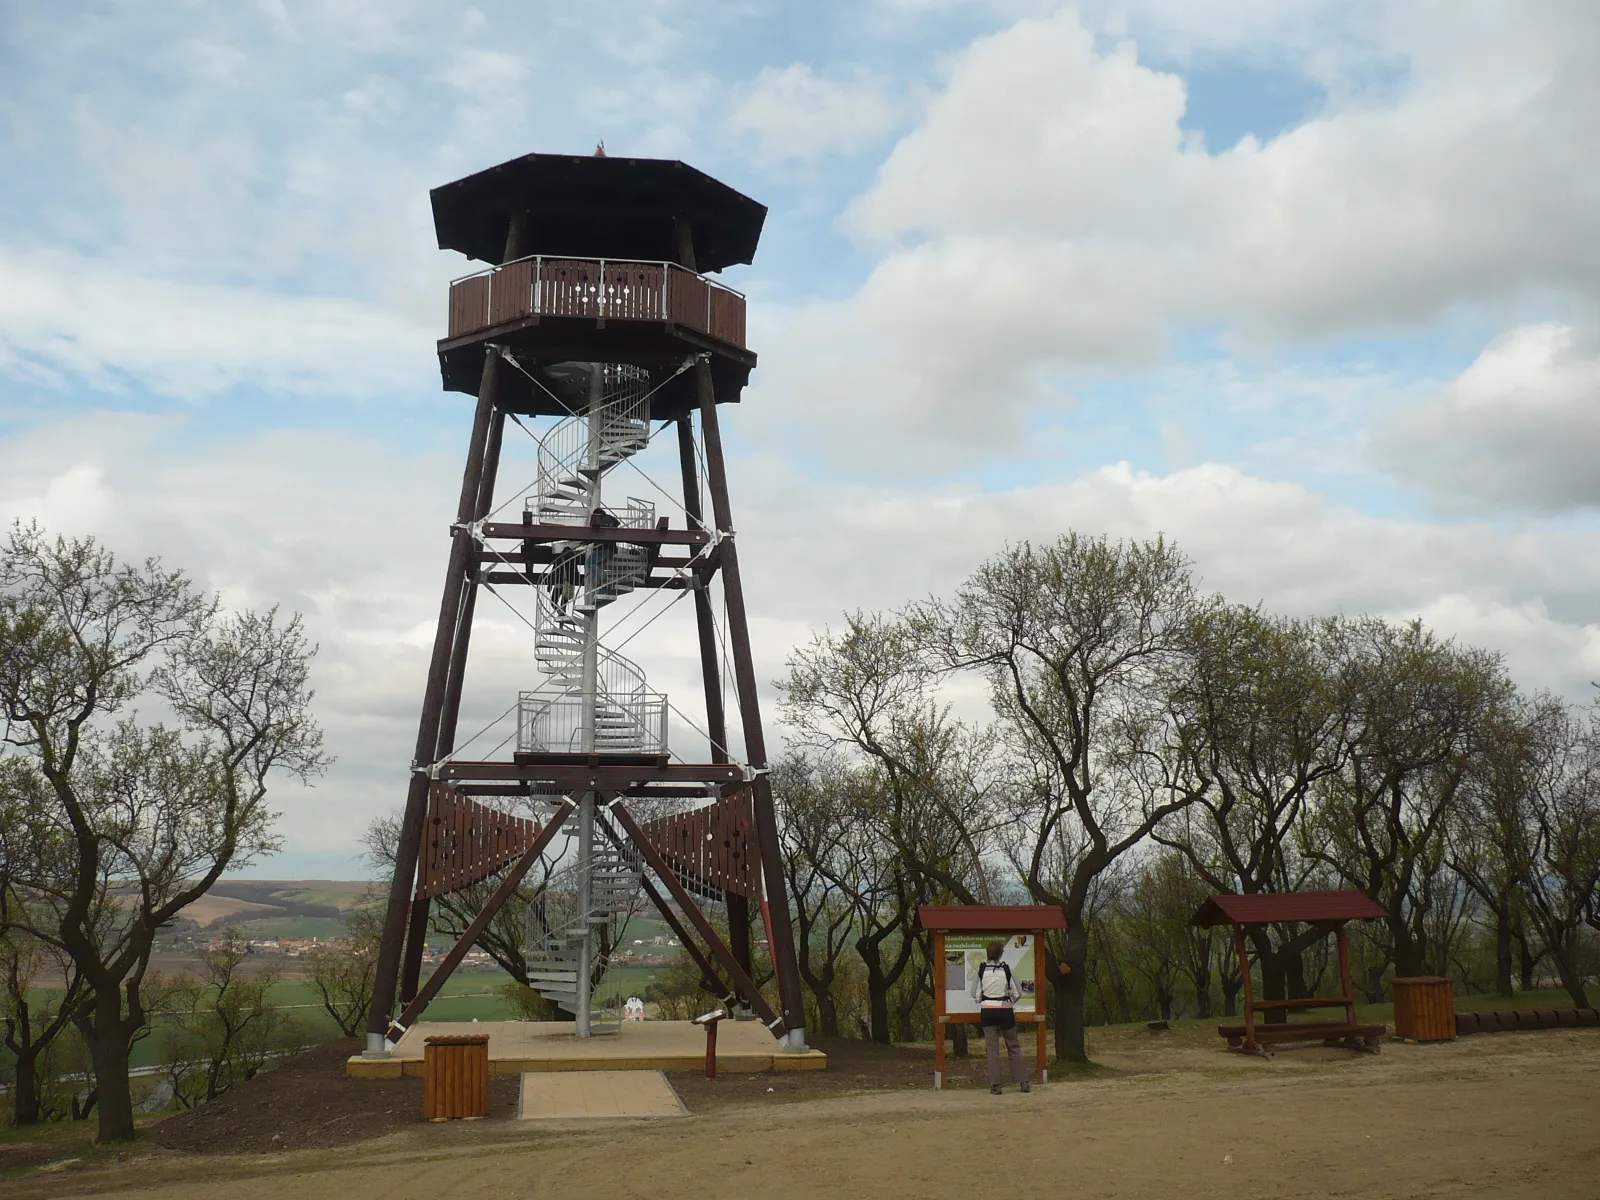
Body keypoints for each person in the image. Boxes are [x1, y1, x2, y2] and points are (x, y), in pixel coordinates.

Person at [969, 940, 1030, 1094]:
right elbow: (1018, 993)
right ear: (1001, 953)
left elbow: (974, 993)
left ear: (987, 953)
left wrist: (982, 1000)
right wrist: (1010, 1001)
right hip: (1005, 1011)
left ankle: (996, 1086)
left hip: (988, 1012)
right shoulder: (1007, 969)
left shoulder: (981, 970)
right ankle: (1023, 1082)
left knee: (992, 1049)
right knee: (1013, 1046)